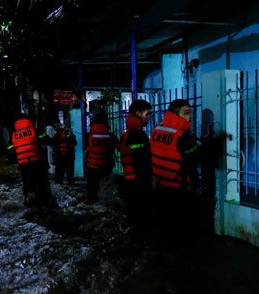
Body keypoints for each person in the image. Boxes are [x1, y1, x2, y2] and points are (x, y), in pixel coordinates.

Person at [150, 99, 201, 242]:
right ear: (175, 114)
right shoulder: (183, 137)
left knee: (165, 226)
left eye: (190, 113)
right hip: (179, 189)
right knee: (181, 231)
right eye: (186, 113)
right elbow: (199, 156)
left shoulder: (156, 130)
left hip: (160, 186)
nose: (190, 117)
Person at [8, 116, 57, 208]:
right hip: (37, 163)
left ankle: (27, 201)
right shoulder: (35, 130)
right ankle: (45, 203)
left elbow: (9, 148)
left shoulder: (14, 135)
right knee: (42, 183)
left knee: (26, 184)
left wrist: (16, 157)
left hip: (23, 165)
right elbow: (47, 141)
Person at [120, 99, 152, 230]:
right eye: (147, 114)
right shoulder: (137, 134)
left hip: (131, 178)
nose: (149, 117)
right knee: (139, 213)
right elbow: (142, 159)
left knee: (134, 210)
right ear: (138, 113)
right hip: (137, 180)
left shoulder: (129, 132)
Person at [85, 110, 118, 204]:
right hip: (106, 165)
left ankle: (91, 200)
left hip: (92, 165)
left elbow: (86, 148)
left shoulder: (89, 135)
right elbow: (117, 146)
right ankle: (105, 201)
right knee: (105, 185)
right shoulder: (110, 135)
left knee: (92, 185)